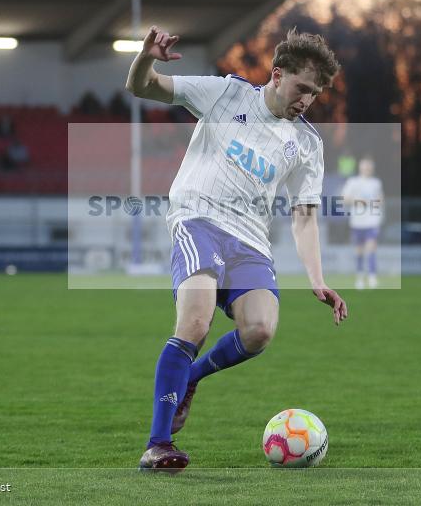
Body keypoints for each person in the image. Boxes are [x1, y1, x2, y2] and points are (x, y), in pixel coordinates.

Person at [126, 26, 348, 471]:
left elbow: (304, 215)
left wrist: (317, 279)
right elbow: (142, 86)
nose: (307, 100)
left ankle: (190, 377)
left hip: (249, 240)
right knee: (195, 321)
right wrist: (145, 58)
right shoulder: (227, 95)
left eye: (315, 94)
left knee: (261, 330)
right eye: (302, 88)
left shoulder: (307, 143)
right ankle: (158, 443)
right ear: (278, 73)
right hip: (198, 219)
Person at [342, 157, 384, 289]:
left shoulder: (376, 183)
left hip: (372, 221)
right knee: (359, 251)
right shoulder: (353, 182)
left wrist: (375, 203)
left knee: (371, 247)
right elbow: (345, 199)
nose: (367, 169)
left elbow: (380, 200)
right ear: (360, 168)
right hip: (357, 221)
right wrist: (360, 201)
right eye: (365, 166)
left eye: (369, 167)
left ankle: (372, 277)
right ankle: (360, 277)